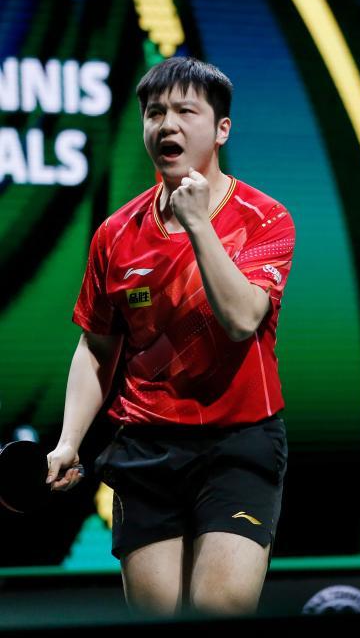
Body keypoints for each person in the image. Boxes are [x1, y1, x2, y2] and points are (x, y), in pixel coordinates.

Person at [45, 57, 295, 616]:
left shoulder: (265, 219)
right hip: (146, 447)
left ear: (221, 129)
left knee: (218, 611)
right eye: (155, 113)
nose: (167, 125)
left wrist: (199, 224)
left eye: (186, 111)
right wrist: (68, 441)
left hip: (239, 444)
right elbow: (97, 347)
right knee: (156, 619)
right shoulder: (116, 233)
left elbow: (242, 319)